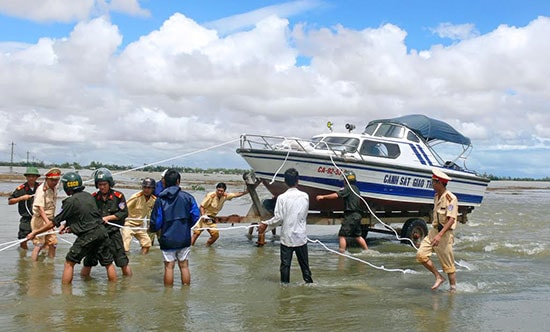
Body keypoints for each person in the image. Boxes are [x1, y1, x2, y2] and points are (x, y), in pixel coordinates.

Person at [26, 172, 116, 284]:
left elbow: (53, 222)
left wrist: (35, 232)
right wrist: (69, 226)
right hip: (102, 232)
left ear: (67, 186)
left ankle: (66, 295)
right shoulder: (88, 196)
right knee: (108, 263)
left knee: (69, 262)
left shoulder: (70, 201)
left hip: (88, 235)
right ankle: (114, 291)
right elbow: (85, 216)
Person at [257, 168, 313, 284]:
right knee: (305, 266)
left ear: (285, 182)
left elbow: (279, 218)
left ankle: (284, 289)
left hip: (287, 237)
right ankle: (309, 285)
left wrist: (265, 225)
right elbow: (303, 215)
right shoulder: (305, 196)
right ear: (298, 181)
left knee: (285, 266)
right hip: (301, 236)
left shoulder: (282, 198)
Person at [149, 169, 200, 286]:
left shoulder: (160, 200)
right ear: (178, 182)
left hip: (167, 237)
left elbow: (156, 221)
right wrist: (186, 225)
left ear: (164, 182)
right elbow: (196, 215)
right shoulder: (188, 197)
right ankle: (185, 293)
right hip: (184, 236)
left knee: (169, 266)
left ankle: (168, 296)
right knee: (184, 265)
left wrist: (152, 229)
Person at [82, 168, 132, 278]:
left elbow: (124, 213)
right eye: (100, 184)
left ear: (109, 183)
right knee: (89, 260)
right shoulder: (94, 197)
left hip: (113, 233)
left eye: (104, 184)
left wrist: (108, 218)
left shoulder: (118, 196)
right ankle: (84, 282)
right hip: (97, 233)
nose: (102, 187)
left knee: (122, 260)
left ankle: (128, 283)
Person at [416, 169, 459, 292]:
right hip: (433, 231)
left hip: (444, 234)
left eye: (433, 182)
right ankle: (438, 277)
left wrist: (439, 236)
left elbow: (451, 219)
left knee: (449, 265)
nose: (431, 184)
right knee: (421, 255)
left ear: (439, 183)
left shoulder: (451, 198)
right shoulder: (436, 196)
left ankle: (453, 290)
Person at [315, 170, 369, 253]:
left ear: (346, 180)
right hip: (357, 215)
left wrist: (323, 197)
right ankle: (367, 251)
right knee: (357, 236)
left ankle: (341, 254)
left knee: (342, 236)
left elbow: (336, 195)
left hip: (350, 215)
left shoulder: (348, 188)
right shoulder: (356, 188)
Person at [191, 182, 248, 246]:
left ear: (224, 191)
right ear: (216, 189)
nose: (220, 192)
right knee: (196, 233)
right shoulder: (211, 196)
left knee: (215, 235)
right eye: (218, 190)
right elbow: (202, 207)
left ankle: (206, 246)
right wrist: (203, 216)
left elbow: (236, 194)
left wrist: (247, 192)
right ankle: (190, 247)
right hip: (202, 216)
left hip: (211, 218)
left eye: (222, 191)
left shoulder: (225, 196)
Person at [30, 168, 61, 261]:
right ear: (46, 179)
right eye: (52, 180)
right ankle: (33, 266)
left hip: (50, 219)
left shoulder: (55, 187)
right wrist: (49, 224)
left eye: (56, 180)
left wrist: (51, 223)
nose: (54, 182)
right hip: (40, 220)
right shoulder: (41, 190)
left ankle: (51, 264)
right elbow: (41, 209)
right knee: (39, 244)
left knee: (53, 243)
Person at [8, 166, 41, 250]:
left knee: (41, 239)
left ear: (37, 177)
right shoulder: (21, 189)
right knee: (23, 239)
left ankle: (39, 255)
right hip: (26, 218)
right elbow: (10, 201)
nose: (31, 178)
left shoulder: (41, 188)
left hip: (39, 217)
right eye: (29, 176)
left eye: (33, 176)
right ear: (26, 177)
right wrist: (21, 198)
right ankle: (23, 256)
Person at [122, 177, 156, 254]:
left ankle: (143, 260)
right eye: (145, 187)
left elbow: (156, 213)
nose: (146, 190)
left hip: (139, 225)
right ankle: (125, 262)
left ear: (153, 189)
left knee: (147, 243)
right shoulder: (136, 197)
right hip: (128, 224)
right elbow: (124, 208)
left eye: (149, 188)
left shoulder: (154, 200)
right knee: (125, 246)